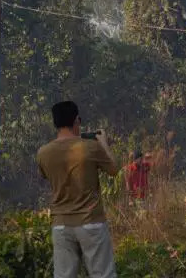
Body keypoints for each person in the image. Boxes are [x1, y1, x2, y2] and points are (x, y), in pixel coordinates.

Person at [36, 100, 119, 278]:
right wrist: (103, 143)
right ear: (76, 121)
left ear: (55, 124)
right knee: (103, 274)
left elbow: (45, 175)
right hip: (91, 222)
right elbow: (113, 170)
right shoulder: (90, 147)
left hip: (61, 225)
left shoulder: (43, 152)